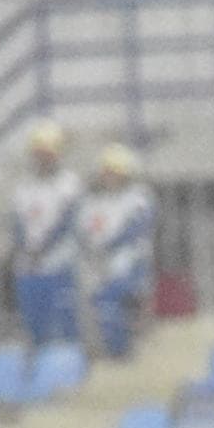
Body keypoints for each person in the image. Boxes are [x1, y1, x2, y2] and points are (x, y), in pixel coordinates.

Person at [9, 121, 84, 354]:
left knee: (63, 315)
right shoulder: (23, 186)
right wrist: (27, 248)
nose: (42, 159)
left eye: (47, 154)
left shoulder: (69, 183)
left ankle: (71, 361)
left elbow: (67, 221)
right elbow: (17, 223)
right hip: (29, 261)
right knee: (34, 317)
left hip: (58, 258)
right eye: (38, 154)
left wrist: (43, 248)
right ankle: (41, 361)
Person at [80, 143, 156, 361]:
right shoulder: (94, 201)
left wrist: (110, 245)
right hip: (100, 267)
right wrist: (94, 250)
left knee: (124, 309)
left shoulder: (138, 196)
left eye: (115, 173)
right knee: (104, 312)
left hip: (130, 265)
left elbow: (137, 227)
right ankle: (115, 353)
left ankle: (127, 353)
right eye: (107, 172)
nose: (110, 177)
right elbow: (85, 231)